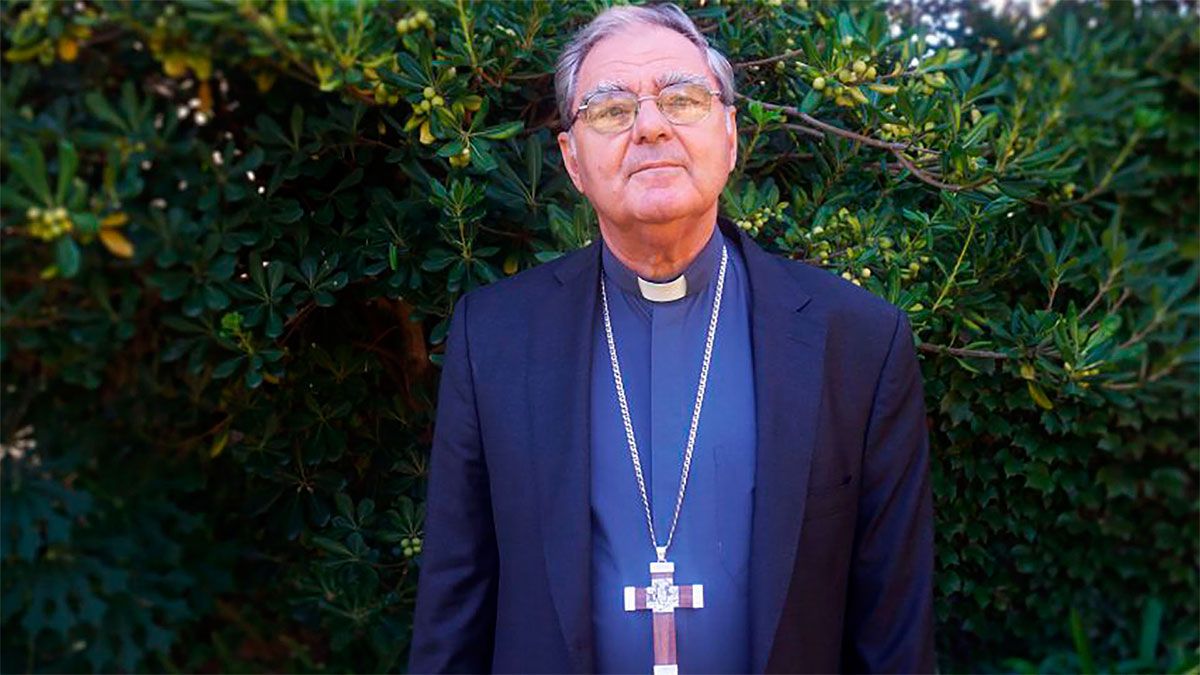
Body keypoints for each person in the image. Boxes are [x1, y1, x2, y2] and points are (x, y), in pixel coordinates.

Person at [408, 3, 936, 673]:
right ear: (572, 160)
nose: (650, 126)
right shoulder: (493, 338)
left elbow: (894, 634)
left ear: (730, 135)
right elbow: (454, 612)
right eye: (611, 110)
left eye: (681, 99)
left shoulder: (857, 341)